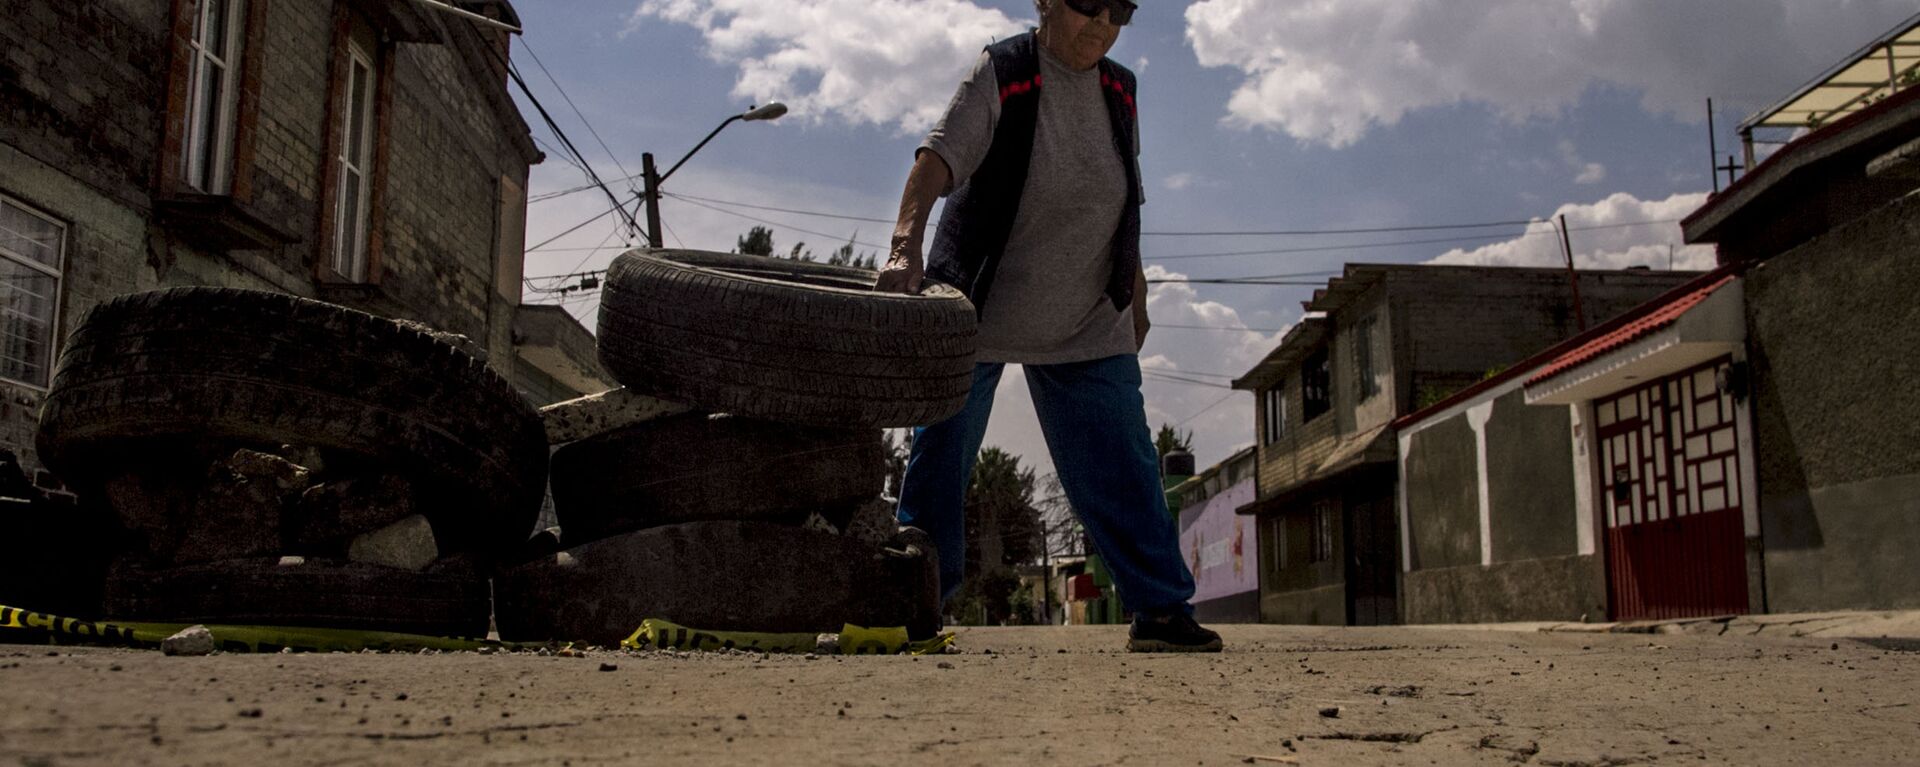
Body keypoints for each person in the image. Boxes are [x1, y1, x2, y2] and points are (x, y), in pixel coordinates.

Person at [876, 0, 1222, 652]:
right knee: (940, 460)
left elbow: (1124, 196)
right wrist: (904, 248)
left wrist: (1137, 288)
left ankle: (1159, 609)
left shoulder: (1121, 89)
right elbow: (936, 161)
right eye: (1087, 5)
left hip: (1087, 315)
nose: (1102, 24)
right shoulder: (1005, 71)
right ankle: (913, 606)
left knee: (1125, 461)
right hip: (977, 308)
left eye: (1119, 10)